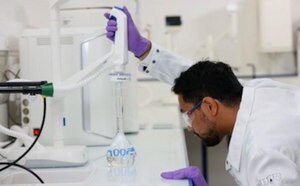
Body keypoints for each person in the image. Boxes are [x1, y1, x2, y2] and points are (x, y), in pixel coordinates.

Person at [105, 7, 300, 186]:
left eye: (188, 114)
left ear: (209, 107)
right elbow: (201, 80)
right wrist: (142, 48)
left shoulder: (262, 153)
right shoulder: (257, 92)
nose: (189, 126)